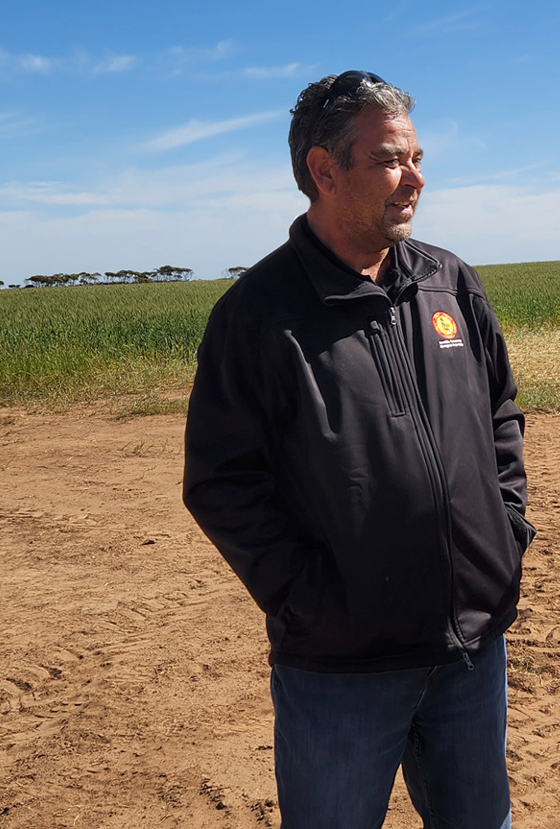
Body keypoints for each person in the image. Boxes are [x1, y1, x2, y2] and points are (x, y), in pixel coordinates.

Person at [183, 71, 531, 829]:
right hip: (341, 668)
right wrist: (315, 604)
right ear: (323, 169)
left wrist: (505, 533)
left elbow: (500, 412)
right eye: (389, 160)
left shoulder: (450, 283)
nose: (416, 178)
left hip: (470, 647)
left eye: (416, 156)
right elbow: (221, 482)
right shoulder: (257, 317)